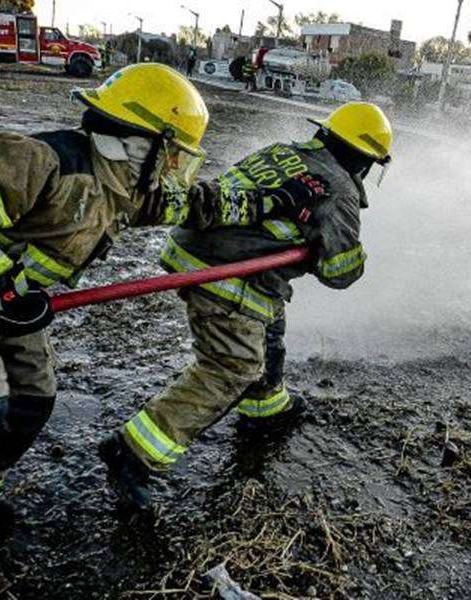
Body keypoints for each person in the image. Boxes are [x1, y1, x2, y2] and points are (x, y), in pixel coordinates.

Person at [0, 63, 330, 589]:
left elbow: (193, 203)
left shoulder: (121, 184)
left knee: (32, 397)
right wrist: (1, 289)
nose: (173, 168)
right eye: (172, 154)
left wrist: (269, 201)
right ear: (143, 143)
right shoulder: (37, 161)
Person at [98, 102, 393, 513]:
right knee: (232, 366)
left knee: (268, 319)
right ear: (365, 160)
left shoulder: (282, 151)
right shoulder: (339, 189)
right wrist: (343, 254)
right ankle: (132, 452)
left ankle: (266, 407)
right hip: (228, 274)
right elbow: (340, 273)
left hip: (197, 251)